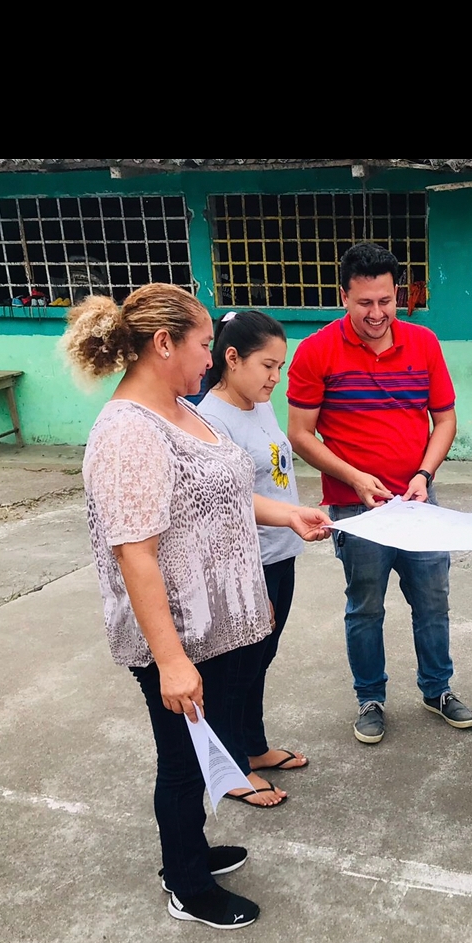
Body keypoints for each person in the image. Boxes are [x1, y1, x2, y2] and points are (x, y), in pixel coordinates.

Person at [69, 285, 332, 935]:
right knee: (184, 764)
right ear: (165, 344)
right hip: (182, 637)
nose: (211, 358)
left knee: (202, 751)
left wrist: (288, 514)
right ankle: (186, 884)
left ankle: (191, 852)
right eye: (203, 345)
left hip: (218, 629)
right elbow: (135, 552)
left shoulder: (182, 411)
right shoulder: (130, 432)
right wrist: (170, 661)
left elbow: (225, 494)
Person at [288, 243, 472, 747]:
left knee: (433, 601)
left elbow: (445, 420)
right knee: (366, 607)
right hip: (357, 510)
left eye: (386, 301)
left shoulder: (424, 343)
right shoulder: (316, 352)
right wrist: (354, 477)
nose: (377, 314)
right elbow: (300, 434)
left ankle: (437, 689)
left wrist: (424, 473)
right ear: (343, 296)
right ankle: (370, 698)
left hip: (418, 502)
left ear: (399, 295)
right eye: (364, 303)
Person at [198, 310, 311, 782]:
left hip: (280, 553)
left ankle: (253, 747)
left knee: (260, 659)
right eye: (267, 365)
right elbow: (221, 507)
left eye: (280, 366)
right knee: (236, 669)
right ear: (232, 358)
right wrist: (247, 583)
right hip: (246, 564)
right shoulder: (210, 421)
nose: (275, 377)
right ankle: (230, 768)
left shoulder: (258, 404)